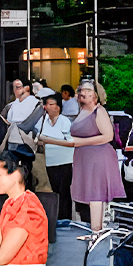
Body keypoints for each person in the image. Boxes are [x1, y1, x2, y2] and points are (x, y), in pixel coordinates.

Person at [67, 80, 121, 234]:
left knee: (95, 194)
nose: (82, 92)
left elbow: (108, 136)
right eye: (81, 89)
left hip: (97, 157)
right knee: (92, 195)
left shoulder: (99, 111)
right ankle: (96, 230)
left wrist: (81, 142)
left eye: (87, 90)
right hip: (85, 157)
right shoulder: (83, 111)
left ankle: (96, 230)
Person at [34, 94, 77, 222]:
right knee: (54, 190)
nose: (47, 107)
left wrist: (49, 140)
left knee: (64, 191)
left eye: (51, 104)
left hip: (65, 160)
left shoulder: (64, 121)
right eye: (47, 104)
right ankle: (56, 218)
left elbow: (71, 142)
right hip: (50, 161)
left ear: (58, 107)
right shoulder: (43, 120)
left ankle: (66, 218)